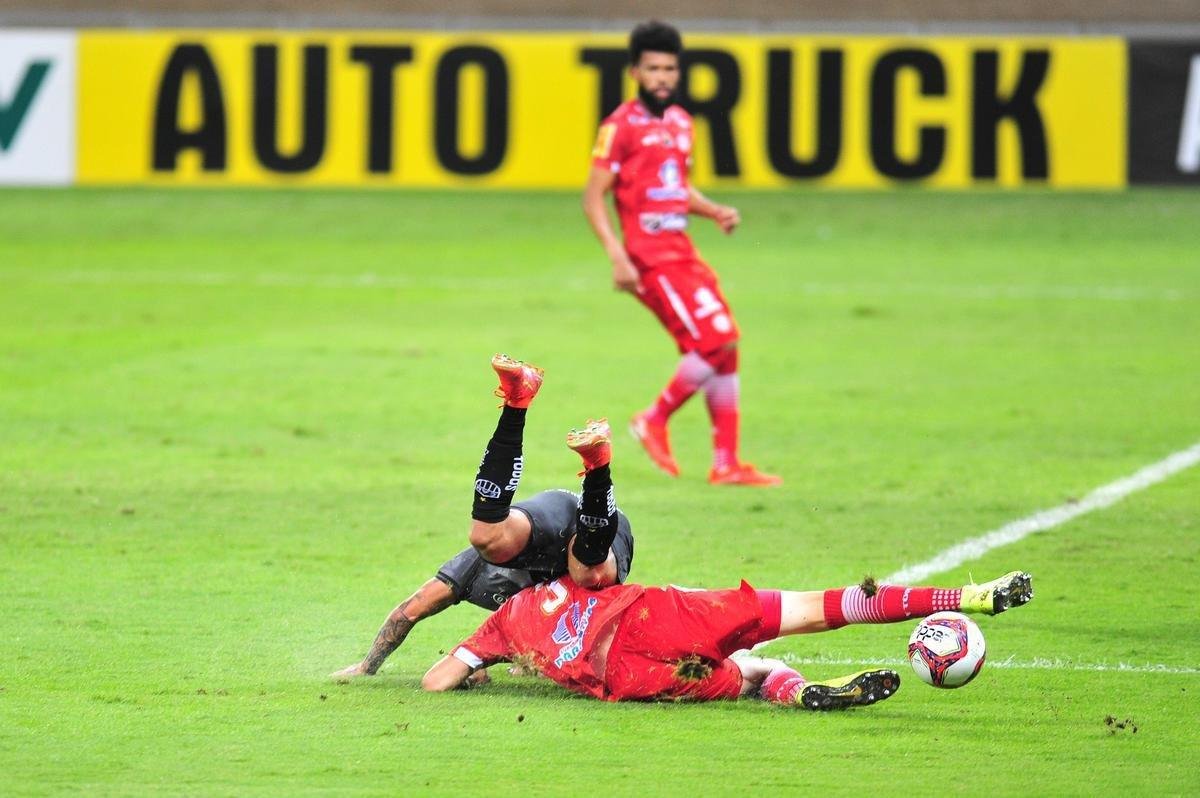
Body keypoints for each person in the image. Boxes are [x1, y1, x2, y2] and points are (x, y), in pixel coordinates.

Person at [332, 354, 634, 679]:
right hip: (557, 526)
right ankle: (518, 401)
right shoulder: (470, 570)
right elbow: (411, 611)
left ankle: (598, 470)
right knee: (485, 536)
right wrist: (367, 668)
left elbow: (411, 612)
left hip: (600, 533)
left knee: (586, 575)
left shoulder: (478, 575)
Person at [582, 20, 780, 487]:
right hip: (650, 256)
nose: (663, 77)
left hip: (682, 251)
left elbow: (674, 186)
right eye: (653, 68)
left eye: (670, 68)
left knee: (724, 351)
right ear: (635, 72)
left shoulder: (681, 123)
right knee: (717, 338)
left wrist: (712, 210)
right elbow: (594, 195)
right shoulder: (620, 127)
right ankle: (653, 419)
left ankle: (726, 463)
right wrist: (617, 255)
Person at [421, 570, 1034, 709]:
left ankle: (796, 694)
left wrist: (476, 670)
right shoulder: (574, 574)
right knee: (822, 608)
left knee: (754, 674)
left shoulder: (497, 626)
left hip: (626, 679)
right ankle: (968, 598)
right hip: (654, 617)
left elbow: (435, 680)